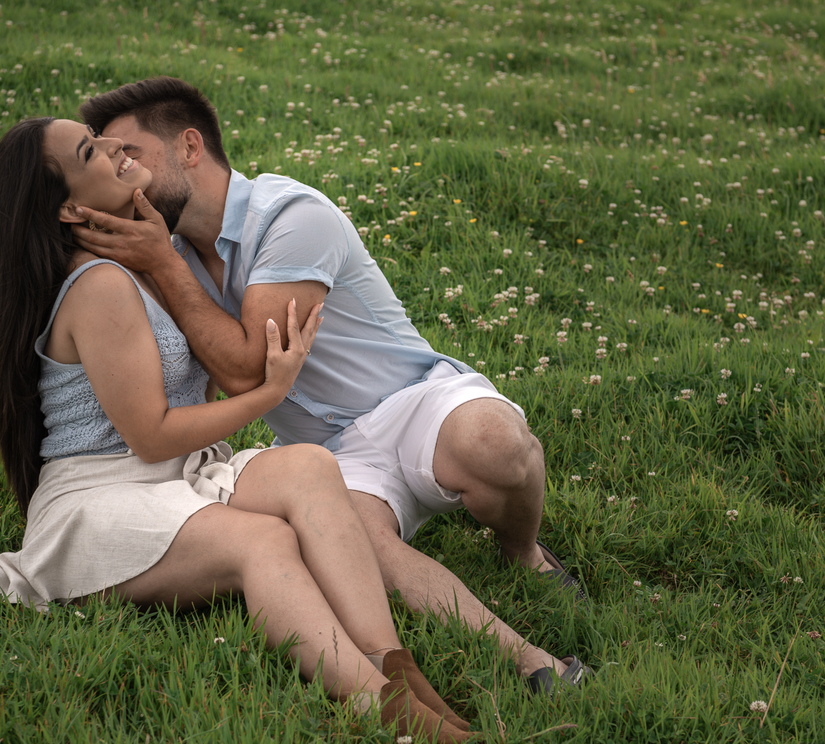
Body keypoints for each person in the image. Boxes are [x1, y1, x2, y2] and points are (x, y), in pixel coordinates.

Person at [0, 117, 479, 744]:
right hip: (100, 498)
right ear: (69, 205)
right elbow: (151, 434)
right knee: (262, 543)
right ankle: (377, 708)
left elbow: (191, 388)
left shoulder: (155, 258)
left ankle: (394, 666)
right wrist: (267, 395)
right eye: (92, 150)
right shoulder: (98, 286)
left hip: (181, 473)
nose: (118, 146)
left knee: (309, 465)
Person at [71, 77, 591, 693]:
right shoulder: (165, 248)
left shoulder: (292, 216)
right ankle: (531, 662)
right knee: (360, 548)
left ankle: (523, 550)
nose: (123, 171)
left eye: (132, 154)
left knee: (493, 442)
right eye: (110, 158)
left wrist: (160, 262)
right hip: (335, 455)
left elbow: (247, 370)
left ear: (189, 146)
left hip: (411, 401)